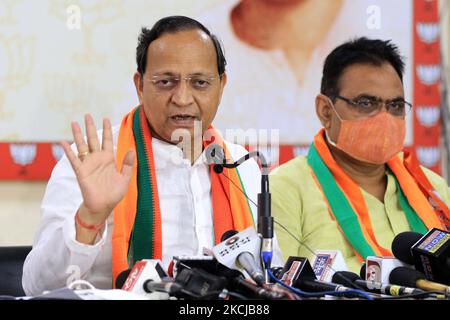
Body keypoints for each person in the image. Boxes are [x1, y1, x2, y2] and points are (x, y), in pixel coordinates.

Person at [23, 16, 283, 296]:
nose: (182, 98)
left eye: (199, 83)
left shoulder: (241, 165)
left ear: (221, 87)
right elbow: (37, 287)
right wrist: (89, 218)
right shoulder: (95, 159)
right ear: (140, 85)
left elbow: (270, 277)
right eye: (165, 82)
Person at [271, 37, 450, 274]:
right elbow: (275, 285)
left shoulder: (431, 187)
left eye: (395, 105)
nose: (384, 118)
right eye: (366, 103)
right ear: (326, 111)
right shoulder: (286, 188)